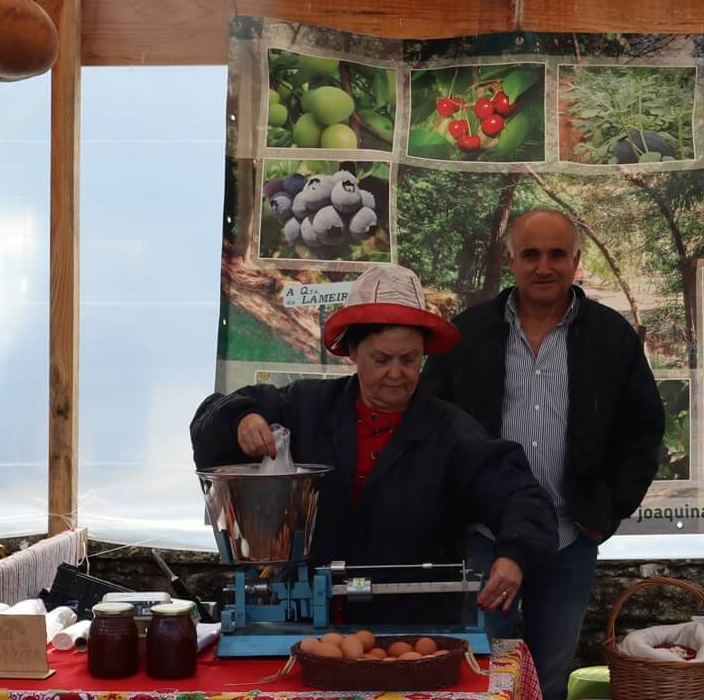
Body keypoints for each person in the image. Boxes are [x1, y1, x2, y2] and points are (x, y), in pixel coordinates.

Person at [190, 264, 556, 622]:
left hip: (416, 626)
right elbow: (214, 414)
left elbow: (521, 495)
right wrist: (242, 418)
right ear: (352, 352)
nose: (396, 373)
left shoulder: (452, 432)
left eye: (409, 359)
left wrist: (515, 554)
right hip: (307, 616)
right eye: (381, 359)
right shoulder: (307, 406)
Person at [424, 208, 664, 700]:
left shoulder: (610, 337)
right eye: (530, 254)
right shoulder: (467, 334)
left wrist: (605, 513)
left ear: (576, 261)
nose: (544, 266)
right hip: (485, 538)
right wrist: (458, 513)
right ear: (511, 260)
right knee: (477, 680)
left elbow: (644, 432)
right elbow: (433, 428)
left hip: (568, 539)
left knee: (550, 688)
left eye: (557, 254)